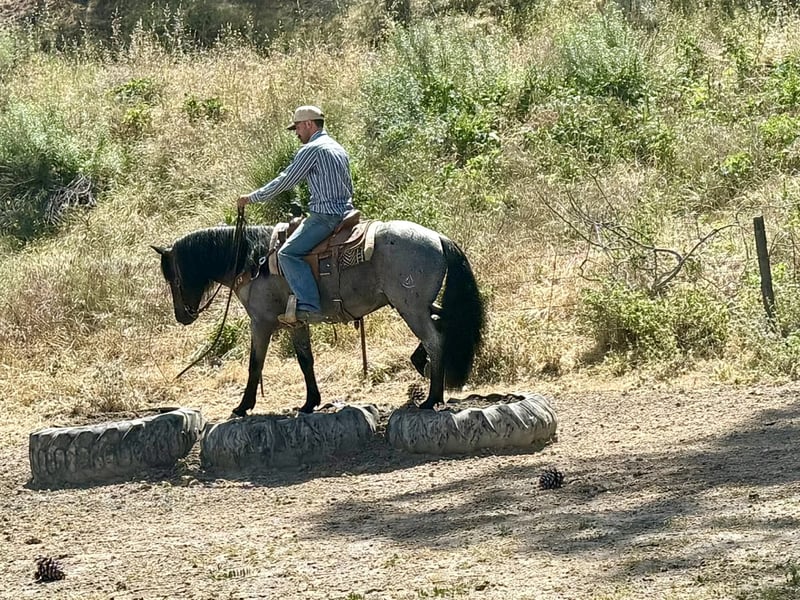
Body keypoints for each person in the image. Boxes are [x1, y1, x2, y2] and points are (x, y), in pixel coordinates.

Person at [237, 105, 355, 324]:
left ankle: (310, 306)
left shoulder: (312, 149)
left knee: (287, 254)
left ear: (309, 124)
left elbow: (285, 180)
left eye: (298, 127)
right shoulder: (337, 147)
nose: (297, 133)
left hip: (325, 216)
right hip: (347, 212)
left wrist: (252, 198)